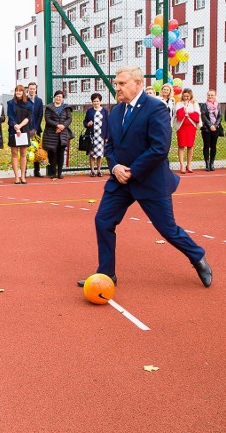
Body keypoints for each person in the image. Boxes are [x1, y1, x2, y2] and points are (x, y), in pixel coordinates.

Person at [79, 66, 211, 289]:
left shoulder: (155, 108)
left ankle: (197, 256)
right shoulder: (117, 111)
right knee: (103, 220)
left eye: (121, 83)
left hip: (150, 179)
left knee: (167, 229)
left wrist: (132, 170)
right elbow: (110, 145)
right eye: (116, 83)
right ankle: (106, 274)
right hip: (120, 180)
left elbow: (159, 148)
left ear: (138, 83)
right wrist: (115, 168)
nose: (117, 87)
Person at [43, 90, 73, 179]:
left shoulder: (66, 108)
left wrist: (63, 126)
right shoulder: (49, 107)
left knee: (61, 153)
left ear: (63, 99)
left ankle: (60, 172)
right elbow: (47, 119)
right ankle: (53, 173)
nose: (58, 98)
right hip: (51, 134)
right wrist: (57, 125)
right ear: (54, 97)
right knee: (52, 154)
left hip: (62, 134)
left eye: (60, 97)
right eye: (57, 96)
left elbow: (69, 119)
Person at [7, 84, 33, 184]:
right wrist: (16, 127)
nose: (18, 92)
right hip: (13, 130)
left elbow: (28, 118)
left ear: (23, 92)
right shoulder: (10, 103)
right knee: (14, 154)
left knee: (23, 154)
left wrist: (20, 126)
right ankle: (16, 177)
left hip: (24, 129)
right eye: (16, 91)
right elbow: (10, 117)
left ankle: (23, 176)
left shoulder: (29, 104)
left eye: (20, 91)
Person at [175, 88, 201, 173]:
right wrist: (184, 106)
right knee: (181, 145)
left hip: (191, 127)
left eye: (187, 96)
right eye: (184, 96)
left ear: (190, 96)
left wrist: (187, 114)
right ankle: (182, 165)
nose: (186, 97)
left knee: (190, 146)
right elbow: (179, 115)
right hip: (181, 127)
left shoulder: (194, 103)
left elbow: (197, 115)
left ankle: (189, 165)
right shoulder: (179, 103)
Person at [84, 92, 109, 177]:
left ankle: (99, 170)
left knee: (100, 154)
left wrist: (107, 136)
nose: (96, 103)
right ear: (92, 102)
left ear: (100, 101)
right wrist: (88, 124)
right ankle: (92, 171)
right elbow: (85, 121)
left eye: (97, 101)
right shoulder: (89, 111)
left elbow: (108, 123)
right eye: (94, 101)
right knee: (92, 154)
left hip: (101, 136)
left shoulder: (104, 111)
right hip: (92, 135)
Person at [200, 90, 222, 171]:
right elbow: (203, 116)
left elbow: (220, 116)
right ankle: (207, 163)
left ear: (215, 96)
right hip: (206, 128)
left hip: (216, 128)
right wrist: (210, 125)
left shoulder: (218, 105)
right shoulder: (204, 105)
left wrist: (215, 125)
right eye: (209, 95)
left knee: (213, 146)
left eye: (212, 95)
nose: (210, 97)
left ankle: (212, 163)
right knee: (206, 146)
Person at [26, 82, 45, 177]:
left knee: (37, 149)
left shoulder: (39, 101)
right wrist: (27, 129)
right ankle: (23, 171)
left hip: (37, 130)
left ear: (36, 89)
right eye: (30, 89)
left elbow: (40, 115)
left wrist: (36, 129)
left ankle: (36, 171)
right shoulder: (24, 100)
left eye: (34, 89)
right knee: (25, 150)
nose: (32, 90)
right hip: (26, 129)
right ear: (28, 89)